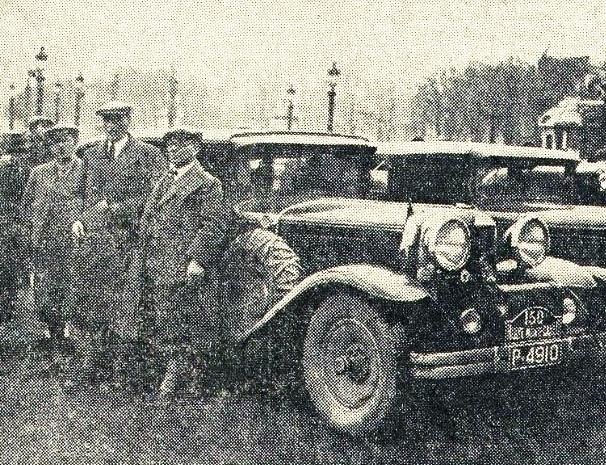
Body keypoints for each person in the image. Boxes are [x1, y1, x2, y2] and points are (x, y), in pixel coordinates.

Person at [69, 102, 165, 385]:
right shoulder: (92, 154)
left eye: (116, 120)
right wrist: (80, 220)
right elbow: (85, 195)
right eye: (106, 121)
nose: (111, 126)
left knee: (125, 305)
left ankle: (122, 371)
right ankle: (92, 365)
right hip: (97, 242)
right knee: (94, 300)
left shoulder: (148, 154)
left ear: (127, 121)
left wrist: (117, 209)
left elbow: (154, 198)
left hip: (130, 240)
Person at [130, 128, 226, 398]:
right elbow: (149, 217)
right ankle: (170, 371)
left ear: (195, 149)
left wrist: (197, 259)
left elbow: (213, 225)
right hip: (156, 261)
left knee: (184, 320)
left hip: (181, 262)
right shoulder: (164, 179)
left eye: (181, 145)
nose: (173, 149)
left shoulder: (207, 183)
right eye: (170, 145)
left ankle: (179, 377)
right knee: (161, 318)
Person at [20, 126, 84, 348]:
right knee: (43, 284)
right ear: (50, 147)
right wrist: (32, 229)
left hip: (71, 237)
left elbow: (90, 202)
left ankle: (65, 328)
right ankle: (48, 327)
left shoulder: (84, 169)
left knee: (69, 281)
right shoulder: (38, 172)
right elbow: (26, 205)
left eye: (66, 141)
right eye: (55, 143)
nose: (61, 147)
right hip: (44, 238)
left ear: (74, 142)